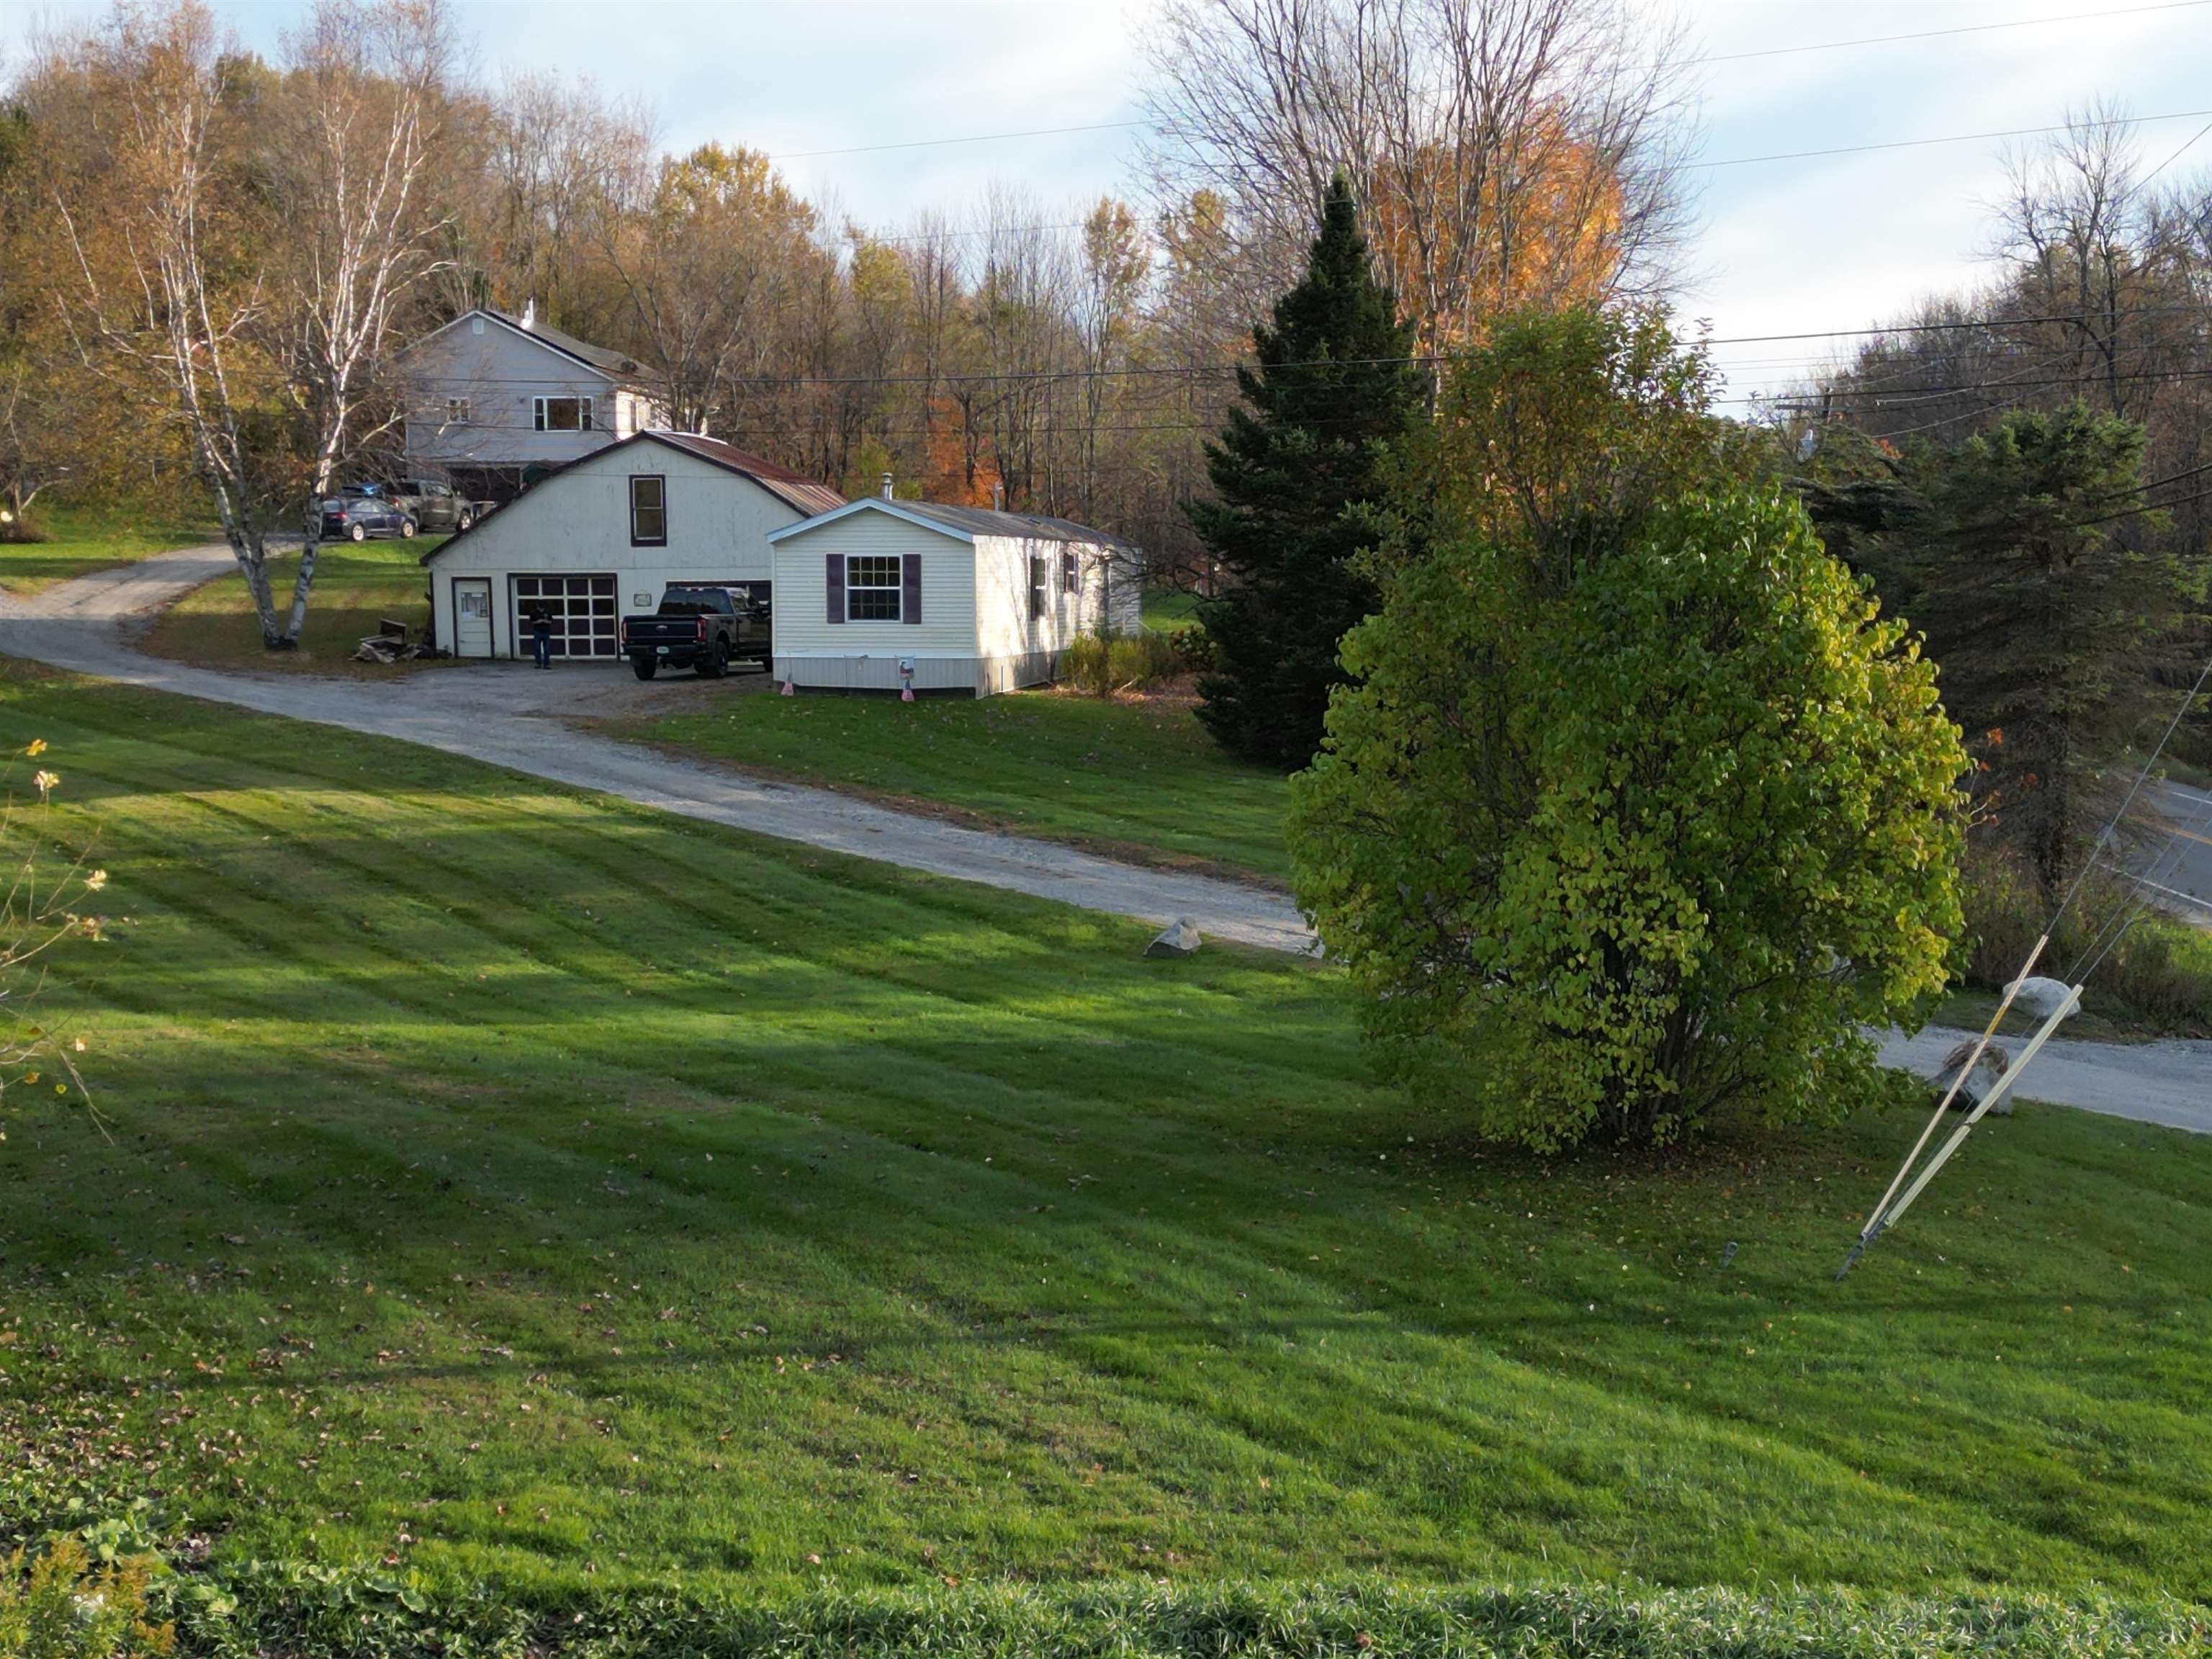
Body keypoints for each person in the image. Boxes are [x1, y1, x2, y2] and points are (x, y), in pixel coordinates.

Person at [529, 605, 553, 670]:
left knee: (547, 649)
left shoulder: (548, 612)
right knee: (537, 649)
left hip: (546, 632)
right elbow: (530, 622)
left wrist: (546, 621)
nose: (541, 608)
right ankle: (538, 663)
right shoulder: (534, 613)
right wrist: (537, 622)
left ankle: (547, 664)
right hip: (537, 632)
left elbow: (551, 621)